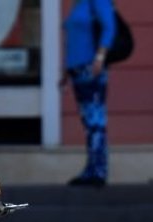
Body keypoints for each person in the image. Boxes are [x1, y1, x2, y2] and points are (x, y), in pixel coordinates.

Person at [61, 0, 118, 187]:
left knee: (95, 121)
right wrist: (65, 72)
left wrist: (100, 57)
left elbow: (109, 27)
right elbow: (71, 40)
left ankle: (98, 171)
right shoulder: (78, 4)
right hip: (77, 70)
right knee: (89, 122)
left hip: (91, 68)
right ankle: (92, 169)